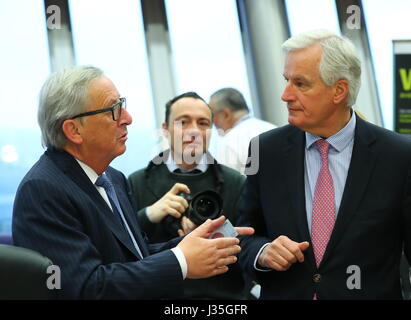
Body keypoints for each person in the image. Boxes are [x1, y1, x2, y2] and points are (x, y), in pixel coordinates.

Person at [12, 66, 253, 299]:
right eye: (114, 110)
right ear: (74, 130)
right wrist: (181, 260)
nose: (128, 118)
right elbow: (85, 288)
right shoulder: (43, 190)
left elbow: (136, 255)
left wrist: (195, 243)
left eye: (122, 105)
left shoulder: (113, 179)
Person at [237, 29, 411, 299]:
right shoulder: (264, 150)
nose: (285, 95)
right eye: (286, 81)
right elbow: (243, 235)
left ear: (339, 90)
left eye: (300, 84)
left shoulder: (398, 156)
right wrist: (263, 252)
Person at [128, 92, 248, 299]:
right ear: (165, 129)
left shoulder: (235, 182)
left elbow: (249, 248)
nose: (194, 131)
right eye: (183, 122)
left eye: (203, 123)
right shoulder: (136, 183)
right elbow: (123, 252)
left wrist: (215, 235)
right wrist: (149, 215)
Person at [208, 88, 276, 174]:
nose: (211, 121)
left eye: (212, 115)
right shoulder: (273, 128)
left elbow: (227, 184)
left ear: (226, 114)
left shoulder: (229, 142)